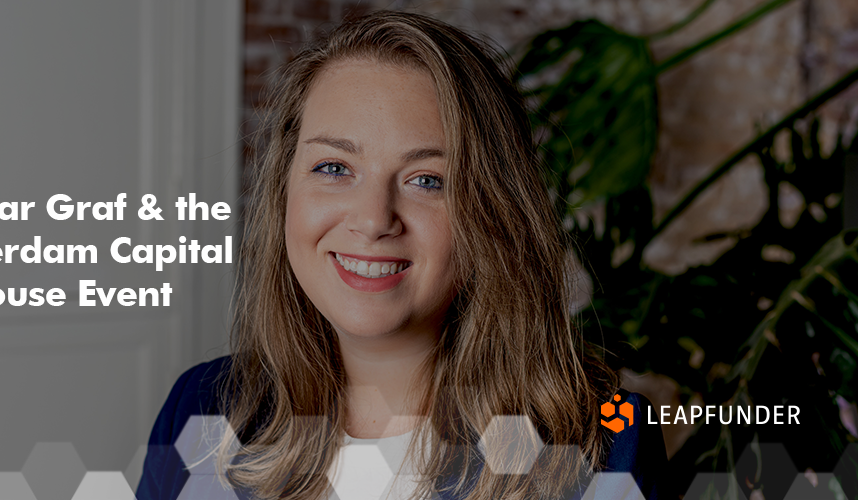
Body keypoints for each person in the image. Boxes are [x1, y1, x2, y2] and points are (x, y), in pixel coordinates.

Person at [137, 10, 667, 500]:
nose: (372, 219)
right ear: (283, 191)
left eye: (427, 180)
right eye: (334, 168)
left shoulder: (605, 440)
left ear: (493, 213)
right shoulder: (202, 406)